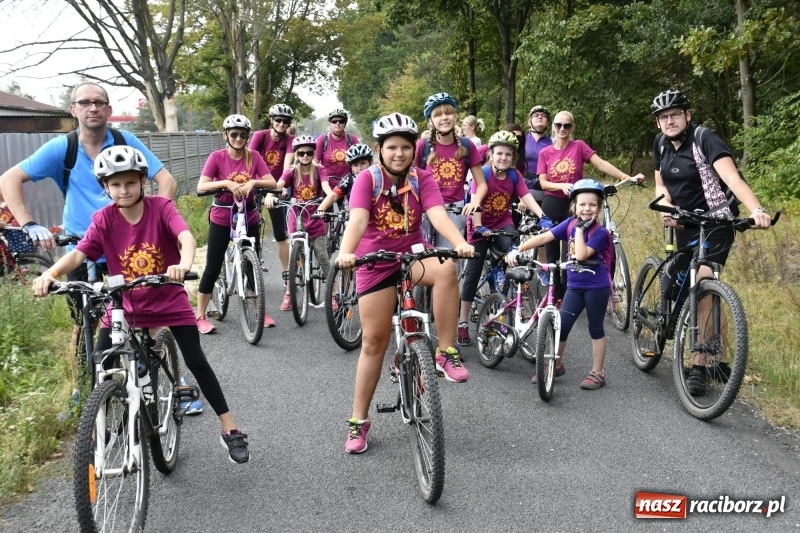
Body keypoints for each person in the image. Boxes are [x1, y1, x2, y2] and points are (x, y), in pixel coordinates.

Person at [32, 146, 250, 463]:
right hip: (126, 304)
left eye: (130, 182)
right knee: (99, 361)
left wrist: (182, 264)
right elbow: (80, 254)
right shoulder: (103, 219)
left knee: (196, 359)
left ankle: (229, 427)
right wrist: (50, 273)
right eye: (115, 184)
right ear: (105, 187)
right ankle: (99, 423)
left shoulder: (161, 207)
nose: (123, 190)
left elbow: (185, 237)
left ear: (143, 181)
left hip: (168, 298)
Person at [336, 112, 475, 454]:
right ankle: (359, 421)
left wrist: (458, 242)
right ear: (379, 148)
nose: (399, 153)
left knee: (445, 270)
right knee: (374, 342)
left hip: (412, 257)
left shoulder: (422, 177)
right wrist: (345, 253)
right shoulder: (367, 180)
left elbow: (437, 214)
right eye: (392, 147)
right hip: (374, 262)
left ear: (415, 149)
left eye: (405, 147)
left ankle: (445, 353)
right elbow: (358, 219)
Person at [650, 89, 772, 395]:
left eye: (675, 114)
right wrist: (665, 206)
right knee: (685, 281)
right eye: (663, 117)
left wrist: (756, 209)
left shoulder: (704, 139)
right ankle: (722, 360)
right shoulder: (660, 144)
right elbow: (661, 184)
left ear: (687, 115)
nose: (669, 121)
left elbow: (732, 179)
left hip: (718, 222)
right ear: (658, 123)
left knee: (704, 283)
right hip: (685, 222)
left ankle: (700, 363)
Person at [0, 82, 176, 288]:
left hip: (128, 244)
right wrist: (28, 223)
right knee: (82, 315)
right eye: (85, 102)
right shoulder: (63, 147)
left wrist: (154, 222)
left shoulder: (124, 141)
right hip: (81, 248)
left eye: (99, 103)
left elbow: (167, 181)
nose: (93, 108)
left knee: (140, 308)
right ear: (73, 110)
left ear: (109, 110)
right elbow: (8, 179)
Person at [506, 179, 612, 390]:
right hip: (574, 286)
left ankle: (598, 371)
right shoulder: (570, 224)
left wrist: (581, 231)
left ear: (598, 208)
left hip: (595, 287)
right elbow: (546, 236)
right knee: (561, 326)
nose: (587, 209)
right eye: (582, 204)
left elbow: (581, 255)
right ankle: (556, 362)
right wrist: (519, 248)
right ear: (574, 206)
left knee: (596, 328)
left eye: (592, 205)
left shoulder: (600, 233)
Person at [457, 131, 549, 346]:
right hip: (479, 226)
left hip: (502, 222)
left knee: (512, 258)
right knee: (473, 272)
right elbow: (475, 200)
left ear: (513, 158)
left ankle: (502, 309)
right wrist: (479, 226)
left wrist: (543, 216)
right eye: (499, 153)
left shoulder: (514, 175)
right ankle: (462, 323)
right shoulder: (484, 173)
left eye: (508, 154)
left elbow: (526, 196)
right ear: (490, 154)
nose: (503, 158)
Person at [537, 110, 643, 294]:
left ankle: (571, 291)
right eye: (558, 125)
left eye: (567, 125)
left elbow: (600, 164)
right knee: (552, 251)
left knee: (570, 251)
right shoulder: (545, 152)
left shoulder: (578, 146)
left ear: (572, 128)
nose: (562, 129)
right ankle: (554, 294)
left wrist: (626, 176)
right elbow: (543, 182)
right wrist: (561, 185)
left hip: (574, 205)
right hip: (552, 202)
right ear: (553, 127)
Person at [196, 114, 279, 333]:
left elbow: (272, 182)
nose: (239, 138)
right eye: (234, 134)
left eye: (243, 135)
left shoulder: (254, 157)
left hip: (249, 215)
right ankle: (200, 315)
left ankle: (258, 309)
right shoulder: (217, 157)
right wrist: (226, 183)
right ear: (226, 135)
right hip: (222, 217)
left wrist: (253, 181)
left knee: (253, 265)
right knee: (212, 267)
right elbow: (202, 185)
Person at [417, 93, 486, 249]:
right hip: (425, 211)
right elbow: (411, 179)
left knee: (448, 262)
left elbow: (481, 184)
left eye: (448, 113)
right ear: (430, 121)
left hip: (455, 211)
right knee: (421, 260)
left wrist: (475, 202)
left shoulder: (467, 145)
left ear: (456, 117)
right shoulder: (423, 146)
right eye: (438, 115)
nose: (444, 118)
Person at [249, 104, 295, 312]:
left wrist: (277, 188)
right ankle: (250, 268)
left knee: (280, 233)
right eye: (278, 120)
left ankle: (287, 276)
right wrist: (259, 186)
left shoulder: (290, 141)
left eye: (285, 121)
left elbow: (286, 166)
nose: (282, 124)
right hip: (256, 185)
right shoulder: (260, 136)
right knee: (250, 230)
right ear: (271, 120)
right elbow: (249, 161)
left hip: (276, 188)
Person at [272, 135, 332, 289]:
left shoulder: (320, 170)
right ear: (296, 155)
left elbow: (327, 189)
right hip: (297, 215)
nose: (305, 156)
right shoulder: (292, 171)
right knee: (296, 255)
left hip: (315, 215)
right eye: (301, 153)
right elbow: (279, 185)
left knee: (322, 255)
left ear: (313, 154)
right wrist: (270, 195)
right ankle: (290, 292)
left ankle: (333, 292)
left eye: (309, 153)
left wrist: (325, 202)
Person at [314, 109, 361, 194]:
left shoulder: (352, 139)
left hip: (347, 185)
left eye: (341, 121)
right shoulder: (322, 139)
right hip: (327, 185)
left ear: (345, 124)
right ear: (330, 124)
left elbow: (361, 161)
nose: (337, 123)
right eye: (334, 121)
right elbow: (315, 163)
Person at [317, 144, 374, 212]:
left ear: (370, 163)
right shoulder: (349, 179)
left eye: (363, 163)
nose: (360, 168)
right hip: (353, 215)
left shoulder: (377, 177)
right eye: (355, 165)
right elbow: (334, 195)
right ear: (351, 167)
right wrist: (322, 207)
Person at [523, 105, 552, 203]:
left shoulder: (553, 142)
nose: (540, 117)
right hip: (523, 181)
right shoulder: (522, 139)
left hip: (544, 183)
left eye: (543, 116)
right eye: (536, 115)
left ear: (547, 122)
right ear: (529, 121)